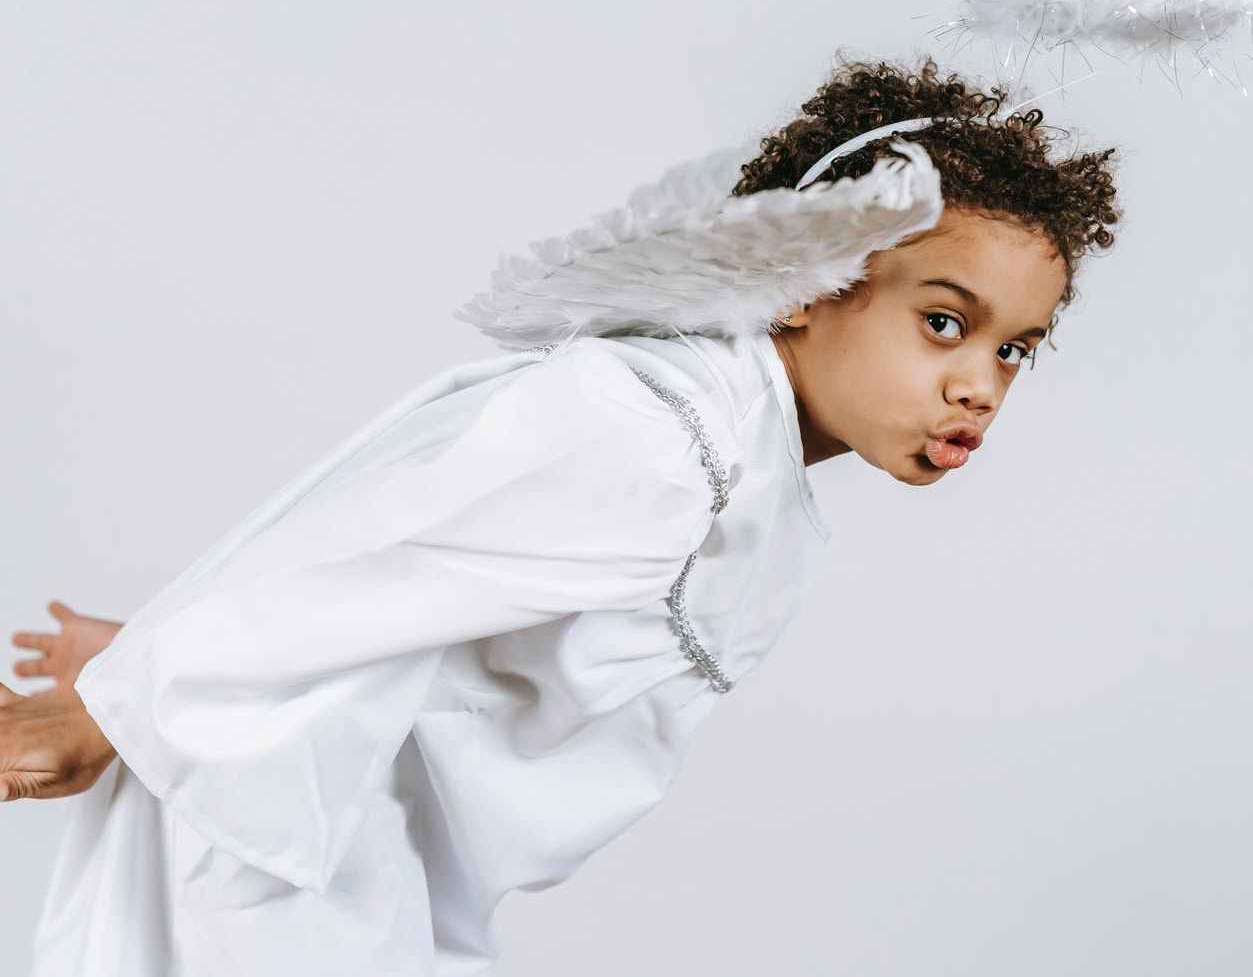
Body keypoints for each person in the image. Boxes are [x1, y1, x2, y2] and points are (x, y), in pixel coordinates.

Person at [7, 56, 1120, 975]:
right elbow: (377, 551)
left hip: (372, 847)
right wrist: (123, 703)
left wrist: (154, 646)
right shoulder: (663, 437)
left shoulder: (731, 453)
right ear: (807, 282)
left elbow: (424, 590)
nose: (979, 384)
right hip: (285, 846)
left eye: (1014, 349)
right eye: (943, 322)